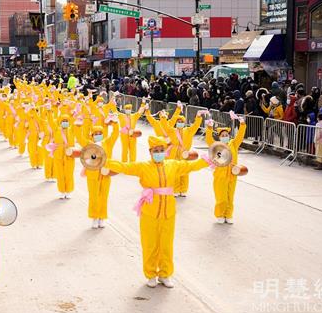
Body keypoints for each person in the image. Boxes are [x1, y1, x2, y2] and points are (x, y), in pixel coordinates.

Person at [105, 136, 209, 288]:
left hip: (169, 212)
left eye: (161, 150)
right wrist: (103, 160)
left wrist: (208, 160)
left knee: (166, 245)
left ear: (165, 151)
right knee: (150, 245)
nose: (159, 153)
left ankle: (165, 274)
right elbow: (124, 167)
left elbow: (191, 166)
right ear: (150, 152)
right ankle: (151, 274)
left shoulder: (173, 165)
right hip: (150, 212)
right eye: (156, 151)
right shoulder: (143, 166)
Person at [205, 113, 247, 224]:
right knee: (221, 197)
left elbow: (240, 136)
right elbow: (208, 139)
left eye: (226, 135)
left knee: (230, 196)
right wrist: (209, 127)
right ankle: (220, 214)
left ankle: (228, 215)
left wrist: (242, 124)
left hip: (232, 174)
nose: (225, 137)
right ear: (219, 137)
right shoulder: (216, 145)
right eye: (222, 135)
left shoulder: (233, 143)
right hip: (220, 175)